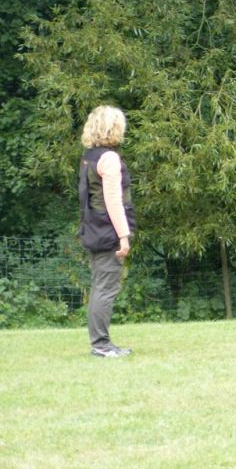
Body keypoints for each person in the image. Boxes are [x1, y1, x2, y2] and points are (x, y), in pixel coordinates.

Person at [78, 105, 136, 358]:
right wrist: (124, 236)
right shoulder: (109, 158)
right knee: (105, 289)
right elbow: (113, 201)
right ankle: (101, 345)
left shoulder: (89, 156)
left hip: (93, 228)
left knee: (100, 286)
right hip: (107, 232)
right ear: (113, 127)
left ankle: (101, 344)